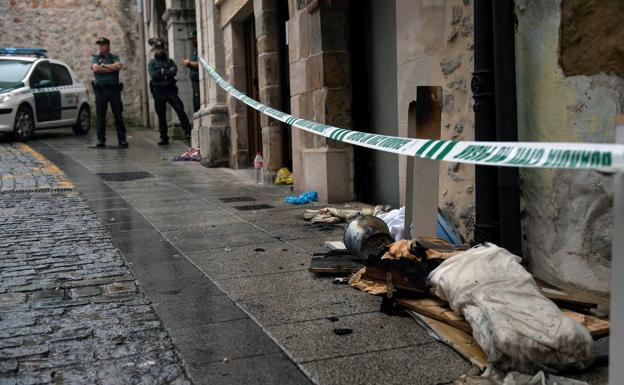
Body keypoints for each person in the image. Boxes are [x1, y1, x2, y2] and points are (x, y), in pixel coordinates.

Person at [148, 38, 192, 145]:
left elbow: (174, 72)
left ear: (163, 49)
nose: (159, 51)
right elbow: (154, 75)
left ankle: (188, 132)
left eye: (160, 49)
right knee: (161, 114)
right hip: (158, 91)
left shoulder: (170, 61)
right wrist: (165, 72)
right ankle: (164, 137)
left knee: (180, 109)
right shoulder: (152, 63)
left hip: (170, 90)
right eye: (157, 49)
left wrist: (162, 72)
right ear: (155, 50)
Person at [91, 37, 128, 148]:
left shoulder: (114, 57)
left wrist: (104, 66)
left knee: (118, 114)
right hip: (101, 90)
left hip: (113, 90)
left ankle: (122, 139)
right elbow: (96, 69)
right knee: (100, 116)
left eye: (103, 45)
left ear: (108, 46)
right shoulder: (95, 58)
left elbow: (118, 66)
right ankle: (100, 139)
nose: (101, 47)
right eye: (99, 45)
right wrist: (111, 68)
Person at [180, 30, 200, 113]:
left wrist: (189, 63)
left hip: (199, 81)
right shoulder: (194, 49)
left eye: (193, 38)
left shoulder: (200, 48)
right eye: (191, 39)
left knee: (198, 101)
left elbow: (201, 64)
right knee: (195, 102)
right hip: (194, 81)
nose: (192, 41)